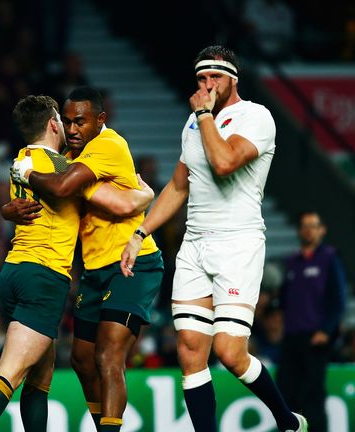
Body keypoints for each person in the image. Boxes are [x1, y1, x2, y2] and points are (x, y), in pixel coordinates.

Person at [118, 45, 307, 432]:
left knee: (229, 352)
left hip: (238, 243)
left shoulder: (256, 117)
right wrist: (140, 232)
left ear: (233, 78)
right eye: (201, 79)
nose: (207, 86)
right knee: (190, 350)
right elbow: (177, 185)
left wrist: (204, 115)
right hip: (195, 245)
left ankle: (286, 420)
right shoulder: (192, 124)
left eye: (215, 77)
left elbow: (224, 164)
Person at [0, 95, 152, 431]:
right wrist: (147, 195)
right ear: (54, 123)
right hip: (44, 275)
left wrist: (5, 209)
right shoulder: (63, 168)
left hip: (14, 270)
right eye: (64, 121)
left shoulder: (20, 161)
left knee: (40, 378)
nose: (70, 127)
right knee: (10, 373)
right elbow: (120, 204)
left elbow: (14, 204)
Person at [277, 211, 347, 431]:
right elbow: (284, 299)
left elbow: (338, 300)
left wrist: (326, 330)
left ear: (322, 230)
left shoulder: (329, 258)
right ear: (299, 231)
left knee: (312, 394)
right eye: (304, 226)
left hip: (316, 339)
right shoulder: (291, 263)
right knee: (286, 391)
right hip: (291, 338)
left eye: (313, 225)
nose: (308, 230)